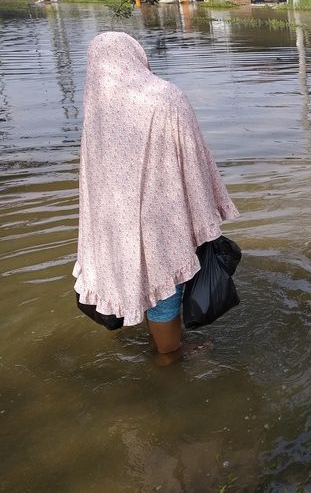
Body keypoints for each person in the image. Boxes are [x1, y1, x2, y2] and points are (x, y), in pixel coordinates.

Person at [73, 32, 239, 359]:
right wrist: (205, 213)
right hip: (160, 215)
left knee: (142, 279)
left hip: (112, 220)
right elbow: (194, 161)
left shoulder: (99, 107)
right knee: (165, 282)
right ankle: (170, 357)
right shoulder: (165, 96)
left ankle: (153, 343)